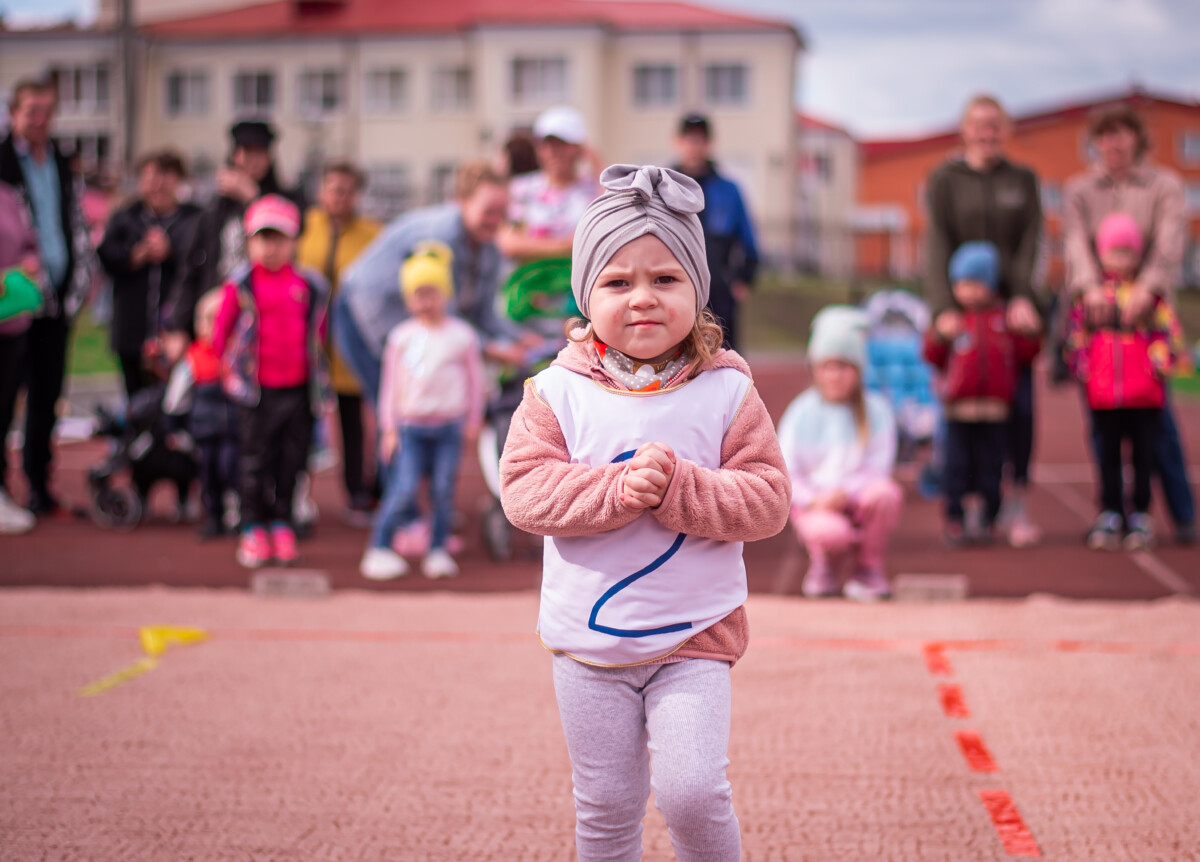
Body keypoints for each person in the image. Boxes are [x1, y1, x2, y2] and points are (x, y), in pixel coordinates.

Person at [499, 165, 790, 861]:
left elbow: (769, 500)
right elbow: (523, 493)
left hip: (695, 638)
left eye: (666, 279)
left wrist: (680, 488)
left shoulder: (727, 391)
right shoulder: (554, 393)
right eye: (617, 281)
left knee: (692, 793)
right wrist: (617, 491)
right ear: (584, 294)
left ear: (698, 288)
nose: (643, 299)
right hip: (587, 648)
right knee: (606, 809)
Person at [1063, 103, 1196, 545]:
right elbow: (1075, 241)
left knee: (1157, 430)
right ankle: (1110, 510)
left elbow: (1171, 242)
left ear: (1137, 138)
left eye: (1121, 134)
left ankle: (1178, 514)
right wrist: (1089, 287)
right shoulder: (1080, 189)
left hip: (1145, 323)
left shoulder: (1164, 185)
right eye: (1104, 135)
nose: (1113, 144)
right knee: (1103, 428)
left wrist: (1149, 286)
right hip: (1100, 324)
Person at [924, 94, 1043, 547]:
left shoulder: (1023, 179)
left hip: (1012, 312)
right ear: (965, 130)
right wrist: (942, 309)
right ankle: (960, 500)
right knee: (961, 419)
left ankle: (1016, 498)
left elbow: (1034, 243)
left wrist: (1025, 299)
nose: (987, 132)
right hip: (962, 307)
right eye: (979, 124)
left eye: (995, 124)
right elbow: (935, 245)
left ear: (1005, 129)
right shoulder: (946, 180)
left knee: (1022, 410)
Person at [335, 162, 526, 406]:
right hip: (362, 308)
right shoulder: (441, 235)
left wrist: (519, 337)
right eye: (489, 211)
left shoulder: (489, 246)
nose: (496, 220)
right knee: (398, 405)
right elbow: (444, 312)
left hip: (410, 315)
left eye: (503, 212)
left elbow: (483, 311)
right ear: (463, 201)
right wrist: (490, 349)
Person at [211, 195, 329, 569]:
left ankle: (281, 523)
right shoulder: (241, 284)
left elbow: (319, 332)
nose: (271, 247)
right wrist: (226, 372)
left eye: (279, 238)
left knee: (291, 461)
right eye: (263, 238)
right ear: (250, 242)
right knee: (254, 462)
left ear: (293, 242)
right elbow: (221, 332)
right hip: (256, 393)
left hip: (297, 390)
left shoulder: (308, 285)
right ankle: (252, 527)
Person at [359, 242, 484, 581]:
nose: (426, 302)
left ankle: (438, 549)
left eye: (433, 292)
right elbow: (390, 389)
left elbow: (476, 381)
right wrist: (388, 428)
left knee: (444, 490)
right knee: (403, 488)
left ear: (446, 293)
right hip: (410, 430)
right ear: (408, 298)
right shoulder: (401, 338)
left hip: (448, 429)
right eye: (418, 294)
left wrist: (473, 419)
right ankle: (380, 547)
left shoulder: (462, 337)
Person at [0, 78, 96, 516]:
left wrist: (76, 280)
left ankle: (39, 482)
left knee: (46, 397)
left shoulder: (60, 161)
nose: (39, 120)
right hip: (12, 301)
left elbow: (73, 223)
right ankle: (1, 487)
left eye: (46, 112)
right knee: (4, 399)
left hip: (56, 301)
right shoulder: (2, 162)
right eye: (31, 111)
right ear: (14, 114)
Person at [1064, 213, 1183, 551]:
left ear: (1138, 256)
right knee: (1107, 454)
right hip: (1103, 393)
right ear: (1100, 255)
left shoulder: (1149, 299)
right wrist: (1082, 367)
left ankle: (1141, 513)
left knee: (1144, 455)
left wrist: (1160, 362)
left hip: (1143, 393)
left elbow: (1168, 333)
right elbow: (1076, 337)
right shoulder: (1091, 299)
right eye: (1113, 252)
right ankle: (1111, 510)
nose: (1120, 260)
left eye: (1127, 252)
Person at [777, 306, 903, 601]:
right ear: (815, 369)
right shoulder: (801, 413)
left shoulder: (876, 411)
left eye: (844, 366)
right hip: (816, 503)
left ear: (858, 371)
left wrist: (845, 492)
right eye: (827, 366)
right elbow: (786, 471)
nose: (834, 375)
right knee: (832, 533)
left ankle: (867, 569)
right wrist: (815, 499)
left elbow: (878, 466)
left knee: (885, 495)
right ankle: (825, 565)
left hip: (856, 498)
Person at [924, 242, 1041, 546]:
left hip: (995, 412)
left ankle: (990, 518)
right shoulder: (954, 321)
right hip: (958, 412)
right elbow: (932, 355)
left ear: (990, 284)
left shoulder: (1003, 320)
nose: (967, 291)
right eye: (961, 284)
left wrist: (1030, 331)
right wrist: (939, 334)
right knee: (956, 467)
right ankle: (955, 518)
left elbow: (1029, 353)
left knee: (992, 468)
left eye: (975, 283)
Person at [164, 120, 303, 360]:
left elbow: (291, 243)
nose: (252, 160)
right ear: (235, 156)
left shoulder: (287, 200)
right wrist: (177, 325)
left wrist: (253, 198)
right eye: (246, 152)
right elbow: (191, 269)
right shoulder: (214, 210)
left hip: (267, 321)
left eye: (260, 152)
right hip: (216, 317)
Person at [296, 160, 383, 523]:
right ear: (321, 191)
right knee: (305, 419)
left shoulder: (371, 233)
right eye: (333, 188)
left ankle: (369, 490)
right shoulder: (305, 228)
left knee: (361, 420)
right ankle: (297, 497)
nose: (340, 196)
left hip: (355, 342)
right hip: (309, 341)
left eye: (347, 190)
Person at [97, 150, 201, 399]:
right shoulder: (126, 217)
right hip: (132, 328)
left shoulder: (193, 219)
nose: (158, 186)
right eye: (151, 178)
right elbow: (105, 255)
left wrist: (171, 251)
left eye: (166, 178)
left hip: (177, 332)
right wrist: (135, 255)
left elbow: (200, 261)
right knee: (135, 400)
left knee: (175, 402)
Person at [674, 112, 760, 351]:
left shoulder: (729, 190)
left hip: (719, 294)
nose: (694, 146)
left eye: (699, 140)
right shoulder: (664, 186)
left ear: (709, 144)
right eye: (689, 139)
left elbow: (748, 240)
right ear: (678, 142)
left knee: (724, 360)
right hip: (674, 288)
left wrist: (742, 280)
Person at [163, 288, 239, 539]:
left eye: (215, 319)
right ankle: (213, 516)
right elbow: (175, 397)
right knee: (207, 475)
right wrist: (173, 425)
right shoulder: (194, 358)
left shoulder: (236, 355)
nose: (207, 326)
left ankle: (235, 513)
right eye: (202, 319)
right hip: (205, 431)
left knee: (231, 468)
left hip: (232, 431)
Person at [497, 106, 601, 265]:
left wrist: (597, 162)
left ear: (580, 147)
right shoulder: (522, 187)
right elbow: (509, 244)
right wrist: (568, 245)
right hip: (530, 285)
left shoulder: (594, 188)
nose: (552, 152)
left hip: (576, 287)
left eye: (562, 144)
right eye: (545, 144)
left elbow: (605, 233)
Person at [0, 178, 41, 533]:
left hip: (10, 322)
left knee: (3, 413)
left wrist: (28, 263)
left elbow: (29, 242)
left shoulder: (8, 195)